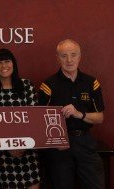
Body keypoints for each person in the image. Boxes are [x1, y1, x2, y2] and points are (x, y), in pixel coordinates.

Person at [38, 39, 105, 189]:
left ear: (80, 56)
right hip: (60, 146)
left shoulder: (91, 83)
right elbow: (39, 119)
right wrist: (55, 139)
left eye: (73, 55)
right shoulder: (48, 85)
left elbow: (100, 117)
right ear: (57, 58)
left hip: (85, 141)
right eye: (64, 56)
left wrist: (78, 113)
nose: (69, 60)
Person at [0, 48, 41, 189]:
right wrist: (8, 146)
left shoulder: (27, 87)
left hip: (27, 151)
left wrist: (20, 145)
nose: (4, 66)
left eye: (7, 61)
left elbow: (35, 120)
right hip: (0, 156)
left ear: (13, 63)